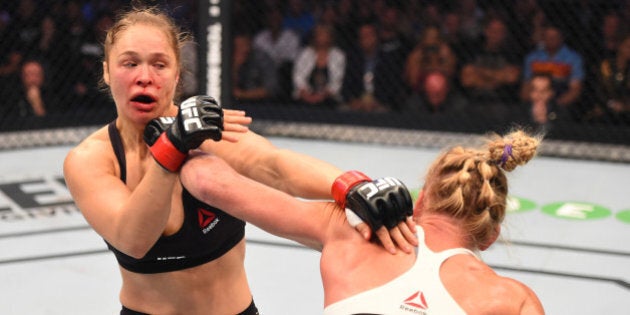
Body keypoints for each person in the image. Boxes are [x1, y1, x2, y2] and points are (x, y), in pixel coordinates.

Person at [63, 5, 415, 315]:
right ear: (107, 72)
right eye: (129, 63)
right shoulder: (91, 160)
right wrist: (172, 147)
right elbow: (133, 240)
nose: (145, 77)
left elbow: (276, 167)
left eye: (159, 64)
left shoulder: (210, 132)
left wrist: (352, 185)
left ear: (176, 74)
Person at [180, 128, 546, 314]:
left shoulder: (350, 231)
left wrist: (176, 135)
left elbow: (208, 182)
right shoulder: (513, 301)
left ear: (418, 204)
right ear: (491, 235)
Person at [520, 25, 585, 121]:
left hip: (561, 101)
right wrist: (536, 101)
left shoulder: (573, 58)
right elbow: (526, 87)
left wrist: (556, 105)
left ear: (561, 38)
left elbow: (575, 89)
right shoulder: (532, 57)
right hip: (535, 99)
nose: (550, 40)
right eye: (547, 37)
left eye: (554, 37)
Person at [292, 23, 346, 108]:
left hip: (328, 97)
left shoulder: (338, 55)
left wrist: (321, 96)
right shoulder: (305, 53)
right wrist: (307, 95)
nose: (321, 37)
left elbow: (337, 81)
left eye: (324, 34)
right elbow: (298, 77)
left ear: (331, 37)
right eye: (319, 34)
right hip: (306, 95)